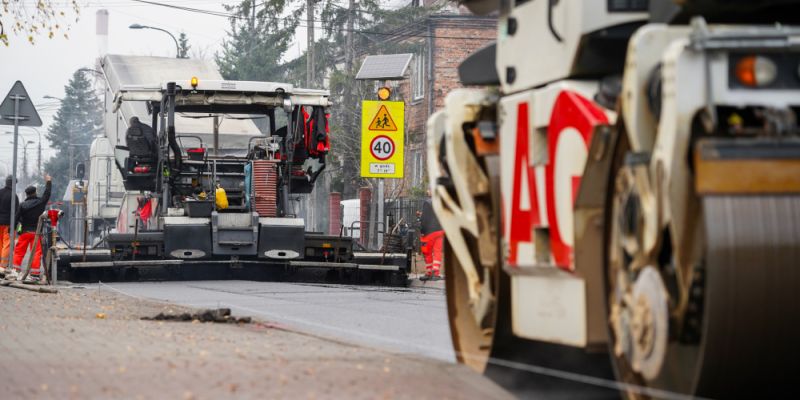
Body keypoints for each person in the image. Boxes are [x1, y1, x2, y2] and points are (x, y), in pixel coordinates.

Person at [8, 175, 51, 282]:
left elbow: (16, 218)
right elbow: (47, 194)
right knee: (36, 253)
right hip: (36, 233)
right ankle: (35, 274)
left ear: (26, 194)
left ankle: (15, 271)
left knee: (19, 252)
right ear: (35, 193)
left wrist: (11, 229)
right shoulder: (40, 202)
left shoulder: (22, 205)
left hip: (25, 232)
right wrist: (49, 182)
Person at [419, 191, 444, 281]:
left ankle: (429, 272)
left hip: (429, 232)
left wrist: (422, 230)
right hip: (440, 230)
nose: (427, 192)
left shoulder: (427, 202)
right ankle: (436, 273)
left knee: (427, 252)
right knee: (437, 251)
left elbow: (425, 218)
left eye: (429, 190)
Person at [0, 175, 20, 275]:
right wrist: (15, 225)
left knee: (0, 243)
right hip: (8, 224)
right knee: (7, 244)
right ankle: (2, 266)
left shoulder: (0, 192)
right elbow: (17, 212)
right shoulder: (14, 196)